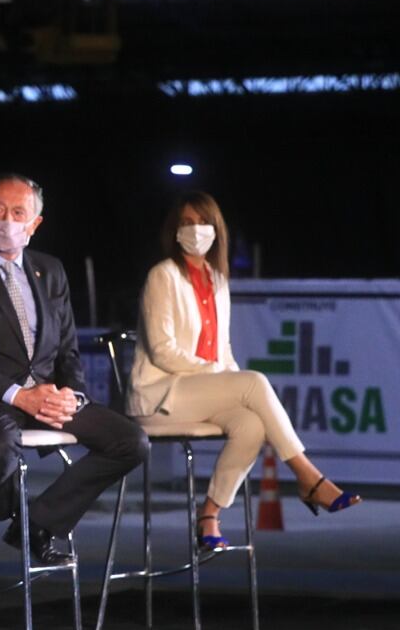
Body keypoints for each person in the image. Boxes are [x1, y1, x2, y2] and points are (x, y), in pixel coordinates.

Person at [0, 173, 148, 564]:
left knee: (130, 442)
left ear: (35, 223)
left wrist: (71, 396)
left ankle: (34, 525)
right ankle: (29, 525)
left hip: (46, 396)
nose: (6, 221)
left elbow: (67, 349)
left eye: (17, 212)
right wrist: (19, 395)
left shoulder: (51, 270)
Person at [129, 192, 361, 550]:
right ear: (174, 231)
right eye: (186, 223)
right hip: (163, 394)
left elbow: (224, 350)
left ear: (217, 230)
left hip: (199, 390)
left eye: (202, 223)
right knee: (254, 381)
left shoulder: (217, 280)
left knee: (251, 424)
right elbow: (162, 352)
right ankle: (307, 477)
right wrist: (221, 374)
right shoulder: (163, 275)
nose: (195, 230)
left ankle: (209, 515)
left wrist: (227, 376)